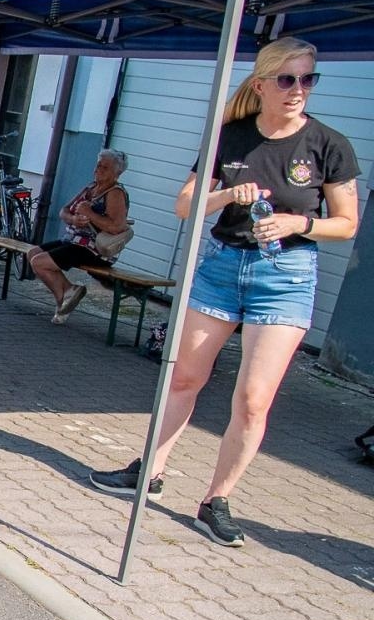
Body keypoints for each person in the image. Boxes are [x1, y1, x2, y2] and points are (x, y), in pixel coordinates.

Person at [89, 37, 360, 547]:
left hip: (286, 276)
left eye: (308, 79)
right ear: (261, 84)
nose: (298, 89)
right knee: (186, 376)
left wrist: (296, 222)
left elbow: (346, 225)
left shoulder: (329, 144)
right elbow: (186, 205)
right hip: (221, 266)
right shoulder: (229, 137)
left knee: (254, 400)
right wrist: (225, 194)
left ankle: (216, 499)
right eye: (287, 79)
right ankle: (150, 470)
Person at [26, 149, 132, 323]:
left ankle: (67, 295)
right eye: (98, 164)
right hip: (73, 240)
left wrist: (89, 213)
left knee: (40, 262)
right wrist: (73, 218)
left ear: (117, 173)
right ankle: (66, 297)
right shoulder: (91, 187)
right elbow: (63, 211)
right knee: (32, 253)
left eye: (105, 167)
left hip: (93, 248)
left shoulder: (115, 193)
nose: (98, 169)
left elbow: (116, 227)